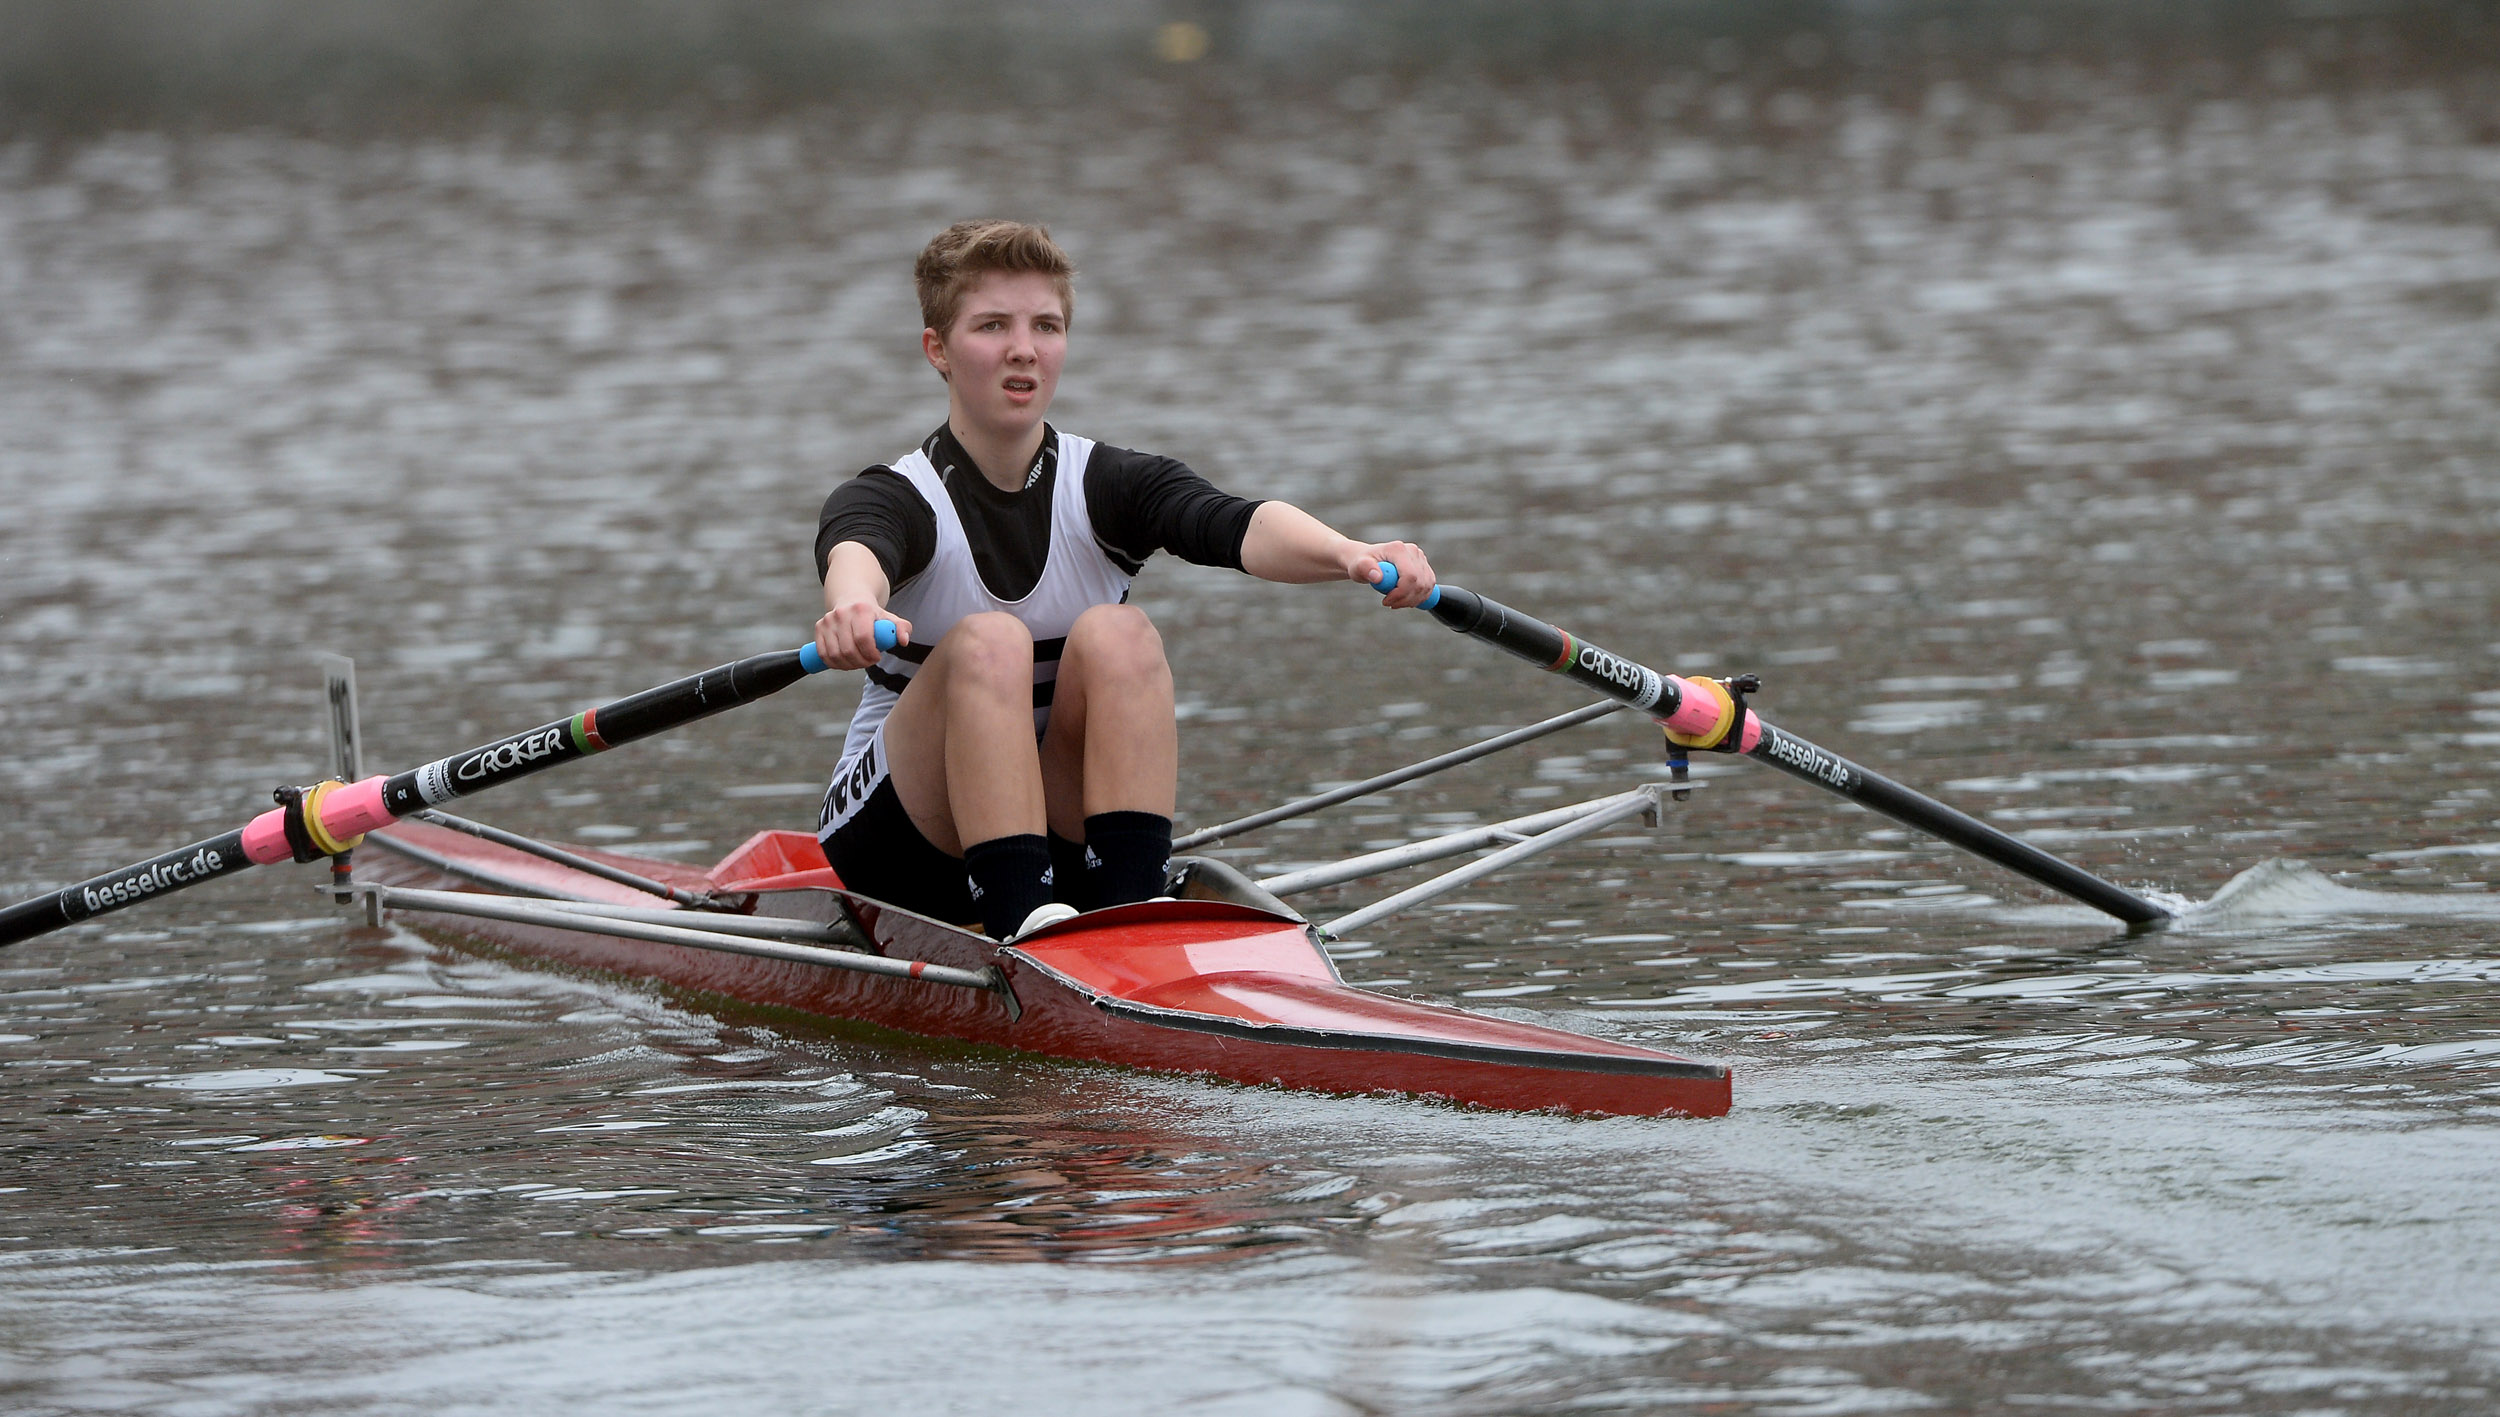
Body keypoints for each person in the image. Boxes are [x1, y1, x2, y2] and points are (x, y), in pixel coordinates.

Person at [813, 220, 1436, 941]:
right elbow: (858, 550)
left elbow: (1233, 522)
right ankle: (1028, 927)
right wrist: (853, 605)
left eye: (1045, 325)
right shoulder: (898, 496)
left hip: (1051, 824)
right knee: (989, 641)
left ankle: (1128, 915)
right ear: (939, 350)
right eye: (991, 325)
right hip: (903, 844)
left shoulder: (1103, 482)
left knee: (1122, 633)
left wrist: (1349, 553)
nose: (1023, 348)